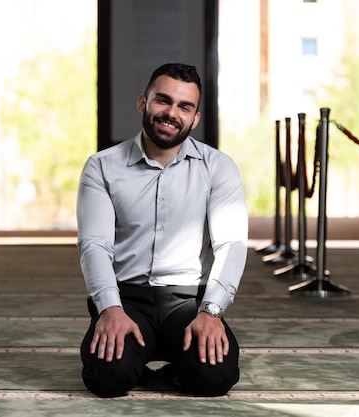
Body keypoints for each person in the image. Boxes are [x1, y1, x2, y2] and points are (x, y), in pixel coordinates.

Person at [76, 63, 248, 398]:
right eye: (163, 101)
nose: (171, 113)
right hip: (127, 299)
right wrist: (110, 309)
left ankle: (176, 366)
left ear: (195, 118)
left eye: (184, 107)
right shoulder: (102, 166)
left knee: (215, 377)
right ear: (143, 102)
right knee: (107, 378)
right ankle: (136, 359)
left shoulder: (218, 167)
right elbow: (94, 245)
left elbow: (231, 245)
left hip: (188, 301)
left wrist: (211, 311)